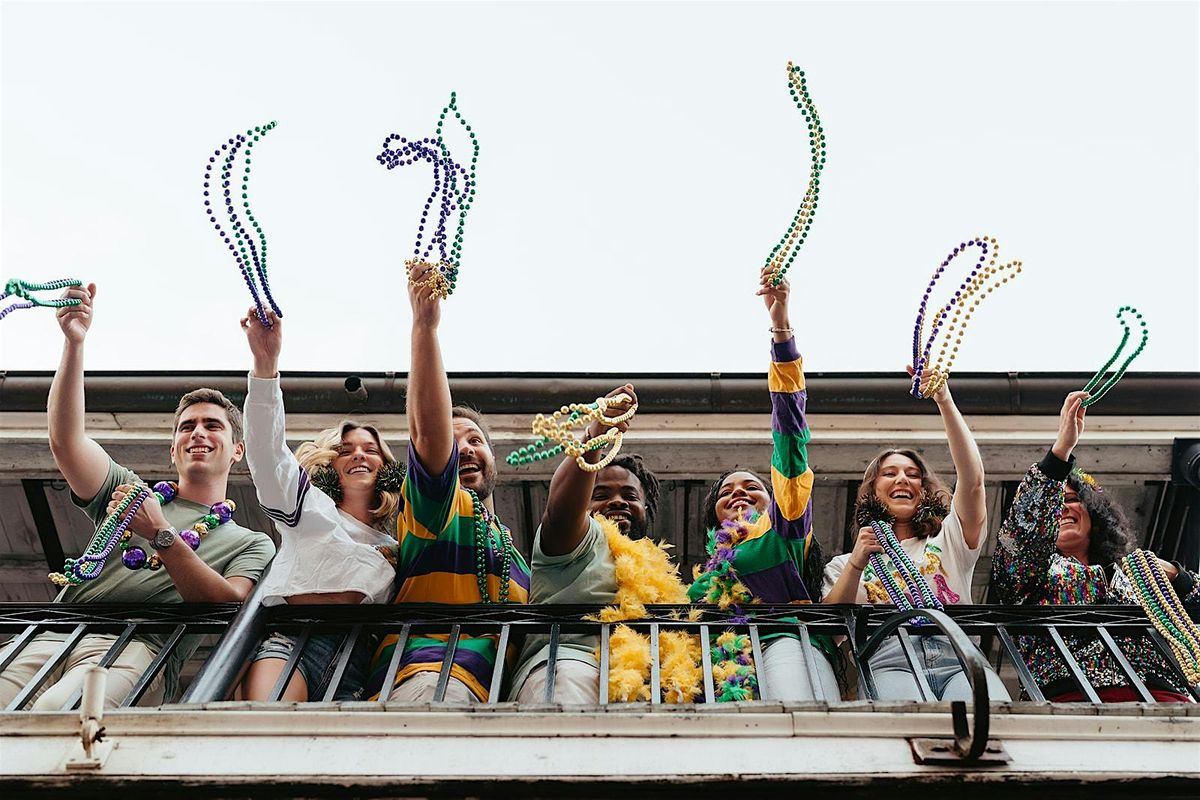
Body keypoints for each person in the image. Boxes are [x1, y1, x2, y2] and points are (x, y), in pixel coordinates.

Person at [0, 283, 275, 710]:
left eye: (212, 426)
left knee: (59, 717)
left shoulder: (251, 542)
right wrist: (74, 343)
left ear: (237, 451)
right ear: (172, 450)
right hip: (47, 634)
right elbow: (66, 442)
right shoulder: (132, 493)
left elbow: (230, 605)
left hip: (137, 647)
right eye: (186, 427)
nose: (197, 433)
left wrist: (161, 533)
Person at [367, 261, 530, 703]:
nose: (465, 449)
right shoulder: (437, 511)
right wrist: (425, 327)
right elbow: (429, 436)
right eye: (454, 441)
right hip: (431, 680)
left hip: (500, 706)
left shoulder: (518, 556)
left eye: (476, 440)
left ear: (493, 456)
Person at [687, 266, 840, 702]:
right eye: (726, 491)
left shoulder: (782, 530)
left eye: (752, 487)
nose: (738, 492)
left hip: (788, 644)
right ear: (712, 517)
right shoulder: (699, 584)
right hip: (718, 667)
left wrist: (781, 331)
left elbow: (790, 438)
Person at [991, 390, 1199, 702]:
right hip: (1066, 701)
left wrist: (1176, 575)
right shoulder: (1029, 576)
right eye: (1054, 504)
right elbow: (1021, 537)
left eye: (1072, 500)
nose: (1062, 508)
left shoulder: (1137, 573)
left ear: (1094, 515)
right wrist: (1060, 453)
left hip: (1160, 697)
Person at [238, 308, 402, 701]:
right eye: (346, 449)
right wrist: (265, 365)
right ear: (329, 462)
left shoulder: (399, 545)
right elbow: (266, 454)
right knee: (273, 729)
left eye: (370, 450)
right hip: (292, 643)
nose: (359, 455)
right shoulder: (307, 507)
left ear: (385, 466)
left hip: (356, 662)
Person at [822, 364, 1009, 702]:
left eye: (912, 474)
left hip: (959, 655)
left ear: (923, 491)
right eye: (889, 473)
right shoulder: (843, 564)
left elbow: (973, 481)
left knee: (994, 719)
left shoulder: (948, 540)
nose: (902, 479)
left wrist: (944, 400)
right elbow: (832, 625)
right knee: (908, 727)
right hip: (889, 660)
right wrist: (856, 564)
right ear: (872, 491)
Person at [508, 385, 678, 703]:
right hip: (571, 669)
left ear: (646, 508)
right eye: (600, 494)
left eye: (629, 495)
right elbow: (561, 511)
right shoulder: (578, 540)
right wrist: (595, 435)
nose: (617, 501)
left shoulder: (660, 572)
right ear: (584, 500)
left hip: (642, 691)